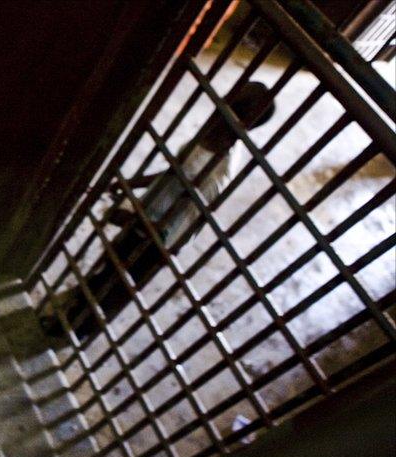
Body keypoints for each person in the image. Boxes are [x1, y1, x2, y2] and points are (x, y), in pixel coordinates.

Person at [41, 81, 275, 341]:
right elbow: (176, 173)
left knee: (116, 281)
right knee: (111, 268)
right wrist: (132, 186)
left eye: (235, 101)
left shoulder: (219, 163)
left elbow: (190, 210)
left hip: (161, 233)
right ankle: (79, 311)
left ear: (245, 119)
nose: (225, 98)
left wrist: (139, 221)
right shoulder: (213, 134)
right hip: (154, 216)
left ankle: (75, 328)